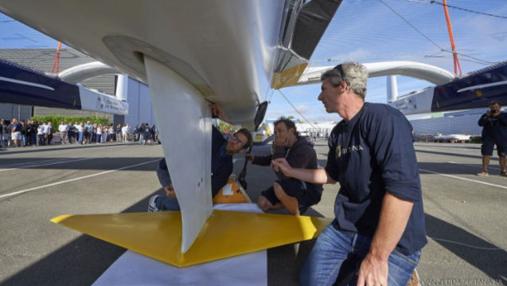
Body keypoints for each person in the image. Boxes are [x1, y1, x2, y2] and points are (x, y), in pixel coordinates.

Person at [272, 62, 427, 286]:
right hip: (347, 229)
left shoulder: (384, 119)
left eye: (323, 88)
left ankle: (404, 272)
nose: (319, 96)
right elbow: (330, 175)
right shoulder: (338, 133)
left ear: (342, 86)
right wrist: (290, 171)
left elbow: (403, 191)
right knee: (310, 282)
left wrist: (377, 258)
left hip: (393, 241)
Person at [148, 104, 253, 211]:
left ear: (241, 150)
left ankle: (165, 201)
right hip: (168, 168)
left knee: (188, 207)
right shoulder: (215, 136)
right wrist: (211, 114)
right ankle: (157, 202)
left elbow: (211, 191)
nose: (234, 141)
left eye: (239, 142)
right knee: (180, 203)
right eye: (235, 136)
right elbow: (196, 121)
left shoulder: (227, 167)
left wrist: (189, 196)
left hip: (188, 178)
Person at [249, 117, 323, 215]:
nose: (277, 135)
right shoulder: (287, 148)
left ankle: (298, 209)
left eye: (280, 131)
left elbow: (285, 173)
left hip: (309, 189)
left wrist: (278, 147)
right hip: (292, 185)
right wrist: (253, 159)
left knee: (278, 186)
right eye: (275, 132)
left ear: (291, 131)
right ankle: (292, 203)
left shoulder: (305, 150)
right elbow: (271, 159)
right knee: (262, 202)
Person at [477, 101, 507, 176]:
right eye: (492, 107)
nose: (494, 108)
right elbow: (480, 123)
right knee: (486, 153)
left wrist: (498, 115)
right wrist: (487, 116)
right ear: (490, 107)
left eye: (496, 107)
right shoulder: (486, 115)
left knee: (503, 154)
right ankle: (485, 171)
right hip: (488, 137)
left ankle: (503, 171)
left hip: (502, 137)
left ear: (500, 107)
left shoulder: (504, 115)